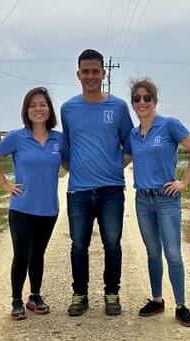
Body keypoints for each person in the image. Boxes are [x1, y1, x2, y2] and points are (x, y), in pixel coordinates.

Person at [123, 77, 190, 327]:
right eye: (137, 98)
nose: (142, 102)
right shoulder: (133, 134)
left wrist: (183, 182)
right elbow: (121, 162)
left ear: (155, 101)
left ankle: (181, 305)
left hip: (166, 198)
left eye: (147, 97)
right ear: (133, 104)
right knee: (152, 251)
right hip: (143, 199)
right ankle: (157, 300)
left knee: (173, 253)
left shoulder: (169, 125)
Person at [61, 49, 134, 316]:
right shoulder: (68, 108)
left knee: (112, 244)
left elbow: (130, 142)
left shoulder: (117, 107)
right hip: (78, 191)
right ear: (78, 74)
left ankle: (112, 293)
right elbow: (66, 146)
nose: (90, 76)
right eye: (85, 71)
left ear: (104, 73)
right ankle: (79, 294)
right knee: (79, 245)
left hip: (111, 191)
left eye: (95, 71)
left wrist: (116, 167)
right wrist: (74, 169)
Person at [0, 87, 68, 320]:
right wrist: (5, 184)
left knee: (39, 254)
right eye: (33, 105)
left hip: (49, 209)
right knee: (21, 254)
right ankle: (16, 300)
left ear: (49, 109)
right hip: (22, 208)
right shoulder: (17, 137)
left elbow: (68, 164)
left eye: (42, 104)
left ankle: (34, 296)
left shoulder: (59, 139)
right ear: (26, 110)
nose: (38, 109)